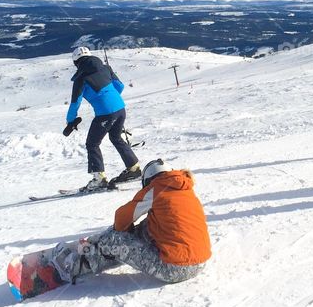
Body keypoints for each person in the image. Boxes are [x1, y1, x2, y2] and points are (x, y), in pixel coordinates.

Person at [52, 159, 211, 284]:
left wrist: (109, 238)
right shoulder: (186, 190)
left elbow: (122, 217)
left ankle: (75, 266)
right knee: (147, 225)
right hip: (200, 263)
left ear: (148, 180)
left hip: (173, 268)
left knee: (116, 239)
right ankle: (100, 250)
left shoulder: (155, 189)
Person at [65, 46, 141, 191]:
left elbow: (75, 102)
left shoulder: (81, 78)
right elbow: (119, 86)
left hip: (105, 114)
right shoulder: (106, 68)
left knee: (92, 144)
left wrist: (70, 121)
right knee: (116, 137)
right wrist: (110, 97)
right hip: (120, 109)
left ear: (76, 62)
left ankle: (99, 178)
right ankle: (134, 168)